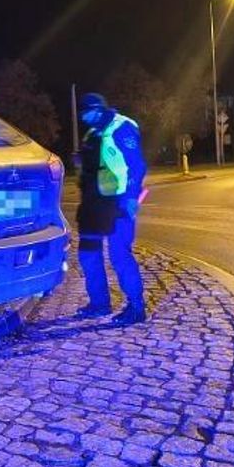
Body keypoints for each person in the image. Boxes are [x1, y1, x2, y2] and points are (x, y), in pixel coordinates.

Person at [73, 92, 147, 324]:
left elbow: (137, 165)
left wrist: (131, 198)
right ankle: (99, 304)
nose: (83, 118)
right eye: (82, 114)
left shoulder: (121, 127)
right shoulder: (92, 133)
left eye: (86, 113)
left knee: (119, 254)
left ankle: (136, 308)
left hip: (118, 203)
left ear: (98, 109)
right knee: (88, 254)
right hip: (93, 205)